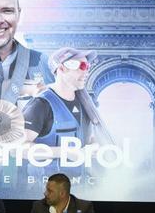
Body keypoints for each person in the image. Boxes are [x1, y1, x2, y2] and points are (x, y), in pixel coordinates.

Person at [22, 47, 108, 179]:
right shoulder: (40, 104)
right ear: (61, 69)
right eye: (82, 66)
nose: (86, 71)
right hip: (45, 190)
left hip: (80, 188)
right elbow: (20, 149)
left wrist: (93, 147)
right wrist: (64, 152)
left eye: (87, 66)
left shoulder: (85, 106)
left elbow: (90, 139)